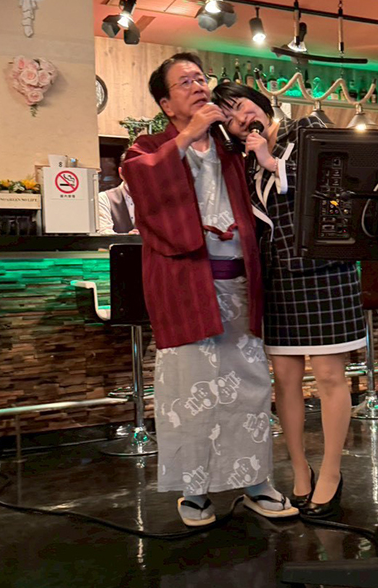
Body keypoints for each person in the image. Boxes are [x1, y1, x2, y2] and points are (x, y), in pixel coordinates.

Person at [122, 53, 297, 527]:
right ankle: (195, 490)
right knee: (189, 388)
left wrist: (252, 125)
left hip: (239, 282)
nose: (199, 86)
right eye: (185, 82)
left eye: (201, 78)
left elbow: (268, 152)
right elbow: (140, 180)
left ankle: (256, 481)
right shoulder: (148, 147)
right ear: (166, 103)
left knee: (250, 386)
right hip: (185, 284)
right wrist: (186, 136)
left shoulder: (229, 146)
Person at [214, 82, 367, 519]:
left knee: (330, 376)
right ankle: (300, 470)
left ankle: (331, 473)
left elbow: (341, 189)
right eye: (230, 118)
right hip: (278, 279)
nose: (241, 119)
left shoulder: (308, 130)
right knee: (284, 380)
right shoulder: (244, 163)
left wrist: (272, 162)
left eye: (241, 106)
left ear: (261, 103)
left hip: (325, 273)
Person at [96, 151, 138, 234]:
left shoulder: (158, 199)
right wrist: (128, 238)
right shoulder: (104, 198)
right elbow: (104, 232)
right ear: (121, 172)